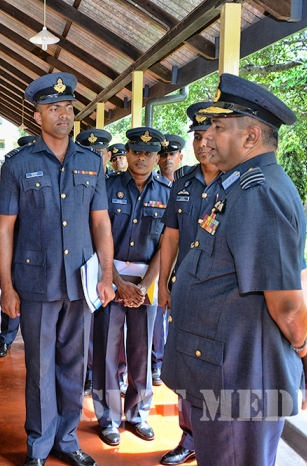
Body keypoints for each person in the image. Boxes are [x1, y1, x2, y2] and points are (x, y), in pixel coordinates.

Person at [162, 74, 307, 466]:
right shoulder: (237, 186)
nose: (208, 137)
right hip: (223, 370)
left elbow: (286, 302)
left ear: (251, 136)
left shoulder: (259, 193)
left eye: (219, 127)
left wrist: (304, 350)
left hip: (238, 379)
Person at [0, 72, 115, 466]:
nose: (63, 114)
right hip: (36, 283)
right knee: (39, 368)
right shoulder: (18, 165)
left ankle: (67, 439)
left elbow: (101, 223)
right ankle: (39, 445)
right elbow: (5, 228)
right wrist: (6, 287)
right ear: (38, 116)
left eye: (67, 107)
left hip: (80, 282)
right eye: (53, 108)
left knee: (73, 365)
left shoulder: (91, 162)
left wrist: (106, 276)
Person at [92, 127, 170, 447]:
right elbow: (96, 236)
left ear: (157, 157)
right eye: (136, 151)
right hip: (110, 280)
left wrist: (145, 285)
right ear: (127, 153)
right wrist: (117, 282)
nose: (141, 158)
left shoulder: (167, 192)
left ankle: (137, 415)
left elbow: (168, 244)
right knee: (107, 350)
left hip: (145, 284)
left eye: (149, 153)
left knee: (142, 350)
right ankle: (108, 418)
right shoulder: (107, 187)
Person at [156, 102, 220, 465]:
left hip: (221, 298)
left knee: (215, 370)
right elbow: (171, 236)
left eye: (210, 136)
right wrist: (163, 284)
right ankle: (189, 437)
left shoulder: (237, 184)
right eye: (197, 137)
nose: (203, 144)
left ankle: (214, 439)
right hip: (184, 292)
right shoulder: (182, 184)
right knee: (185, 366)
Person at [75, 128, 112, 396]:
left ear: (108, 155)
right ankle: (86, 374)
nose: (95, 156)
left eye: (100, 152)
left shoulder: (117, 184)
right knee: (84, 331)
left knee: (109, 332)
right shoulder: (76, 179)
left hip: (110, 266)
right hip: (84, 266)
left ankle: (106, 375)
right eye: (90, 152)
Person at [0, 136, 36, 359]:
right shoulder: (13, 174)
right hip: (14, 247)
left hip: (36, 250)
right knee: (10, 293)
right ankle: (6, 338)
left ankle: (33, 341)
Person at [150, 133, 186, 388]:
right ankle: (156, 362)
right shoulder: (154, 187)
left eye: (171, 154)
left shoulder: (187, 185)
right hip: (157, 262)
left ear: (180, 157)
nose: (167, 159)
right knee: (156, 317)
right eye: (162, 155)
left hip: (183, 264)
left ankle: (170, 361)